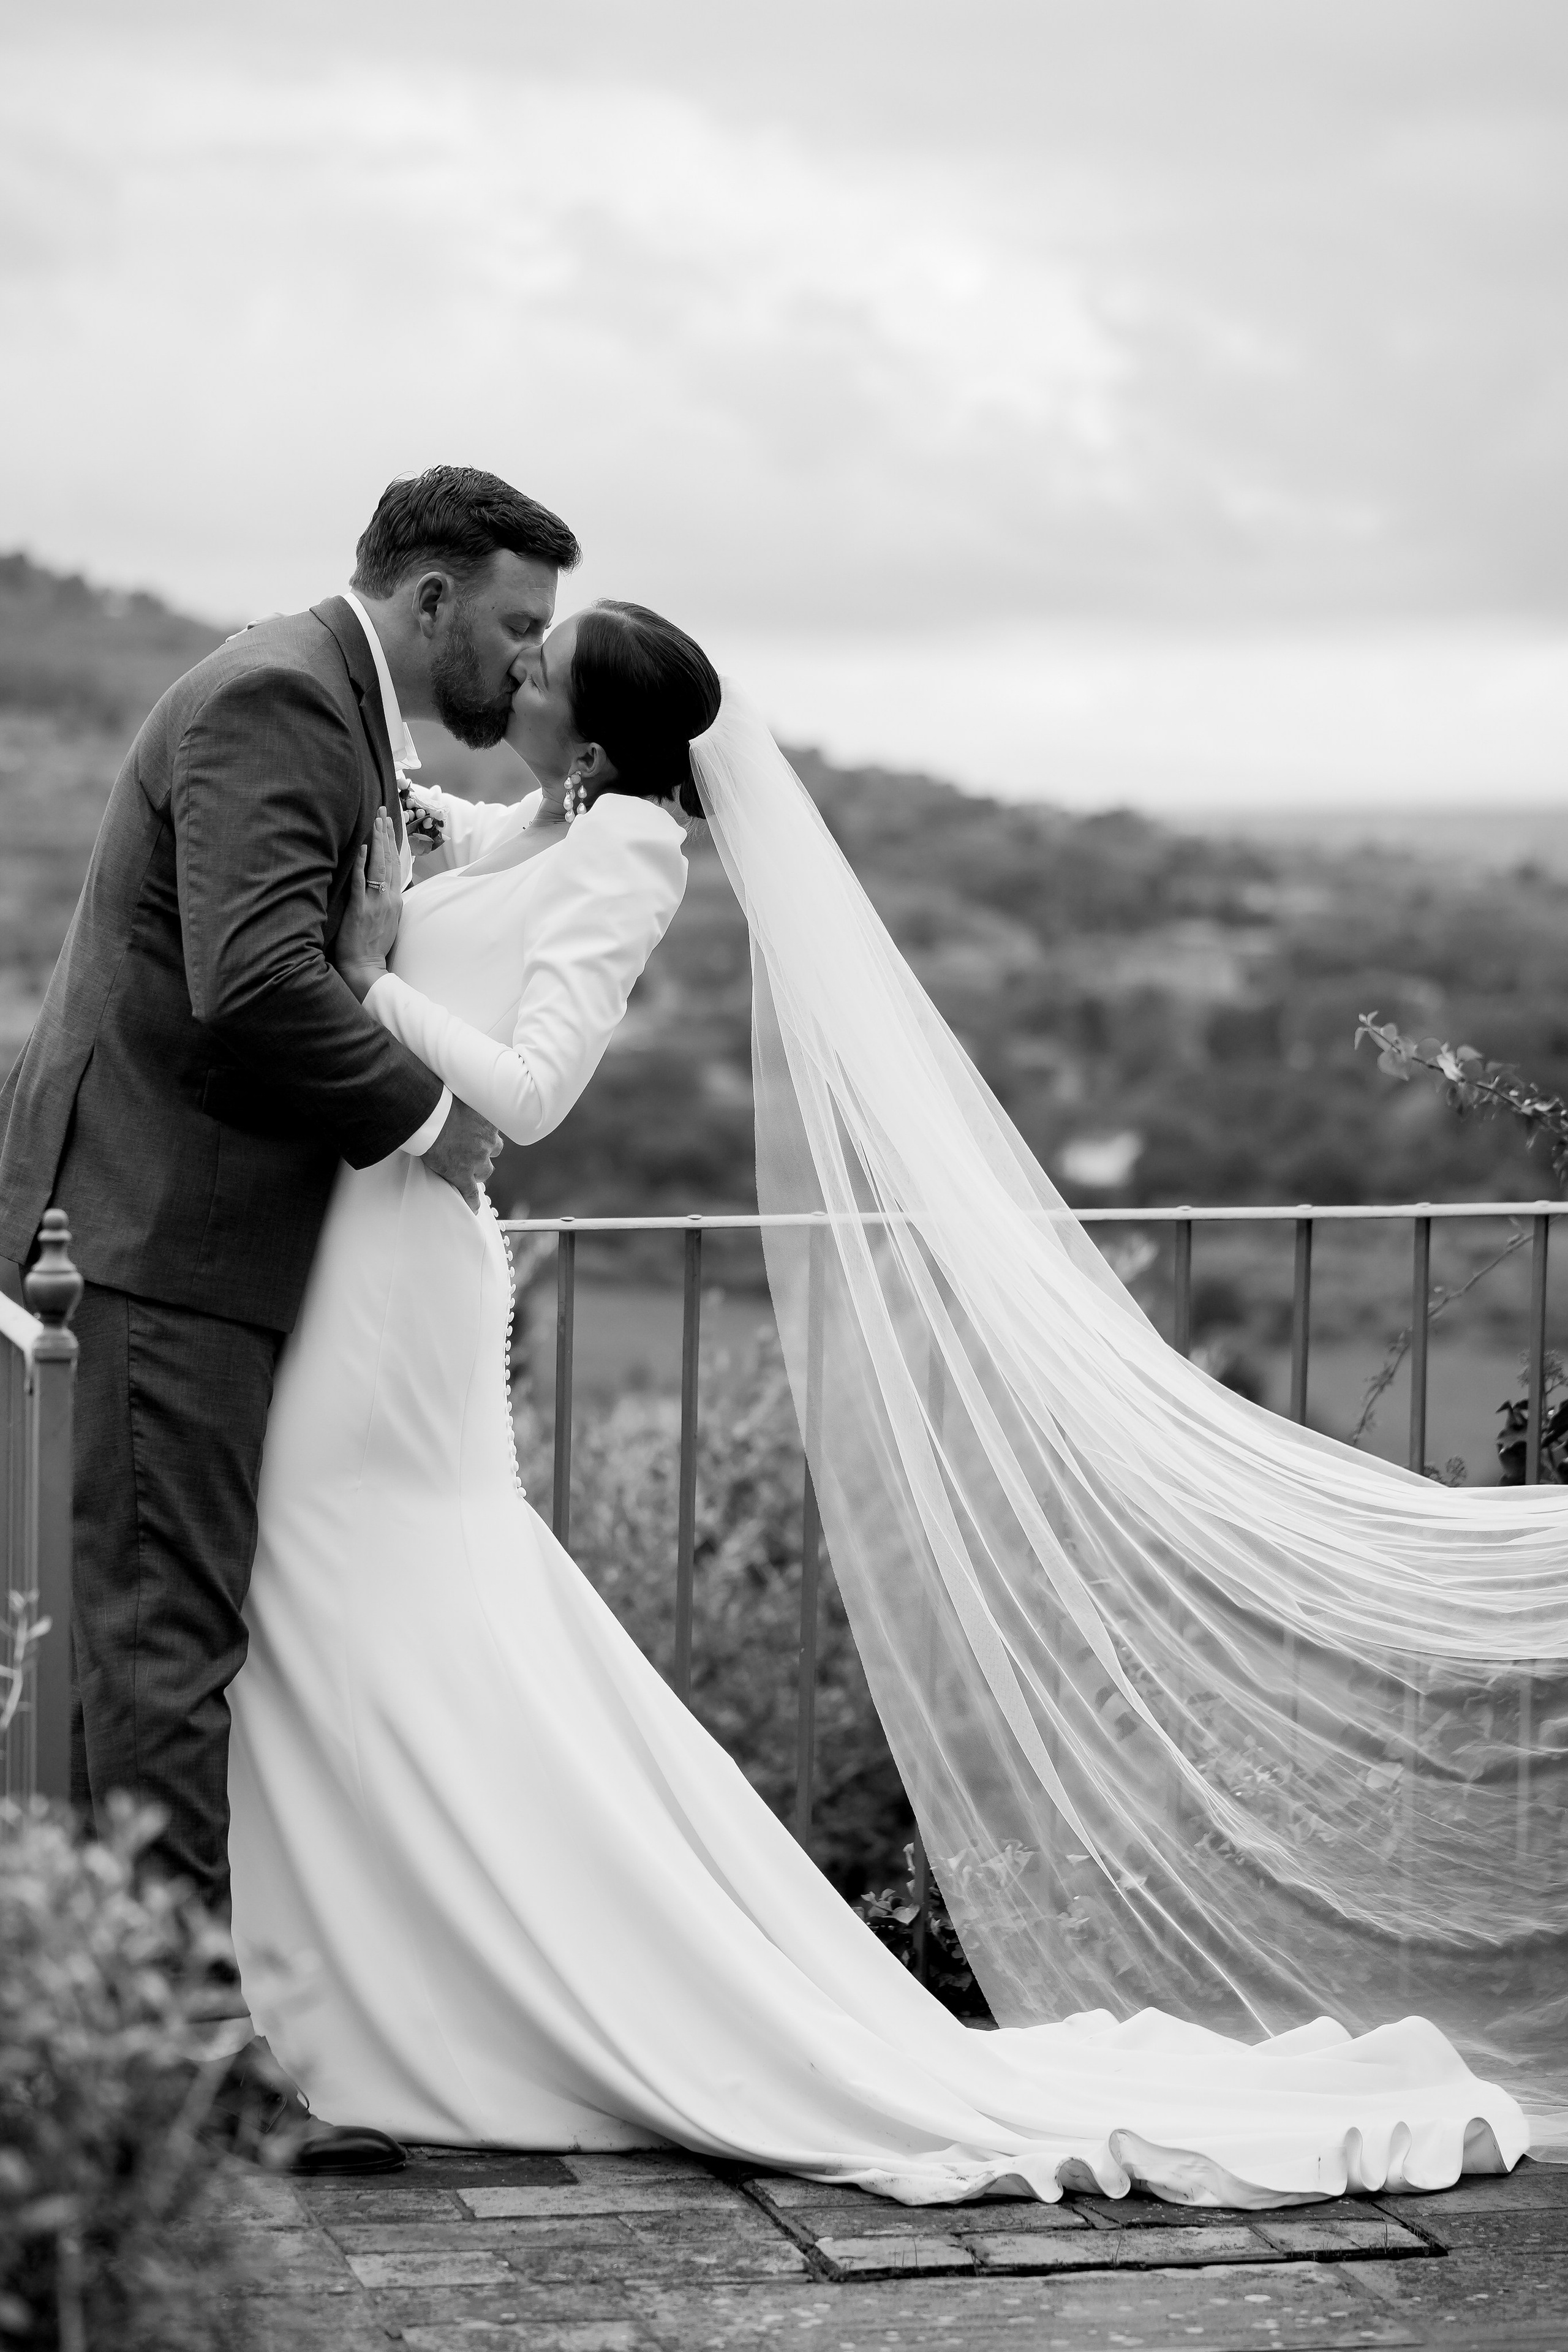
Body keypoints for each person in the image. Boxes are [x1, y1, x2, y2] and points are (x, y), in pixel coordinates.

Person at [227, 599, 1536, 2207]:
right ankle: (368, 1981)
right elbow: (457, 843)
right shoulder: (538, 819)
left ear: (606, 733)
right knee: (346, 1608)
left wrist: (368, 980)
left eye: (544, 669)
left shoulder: (632, 849)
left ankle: (408, 1994)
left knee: (378, 1592)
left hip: (415, 1262)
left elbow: (532, 1093)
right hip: (354, 1247)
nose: (516, 673)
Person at [0, 466, 577, 2173]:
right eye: (516, 628)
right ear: (427, 604)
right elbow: (252, 979)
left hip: (196, 1222)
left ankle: (151, 2033)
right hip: (166, 1223)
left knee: (170, 1636)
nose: (524, 666)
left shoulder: (326, 702)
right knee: (165, 1642)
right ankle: (181, 2067)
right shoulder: (277, 698)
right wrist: (430, 1120)